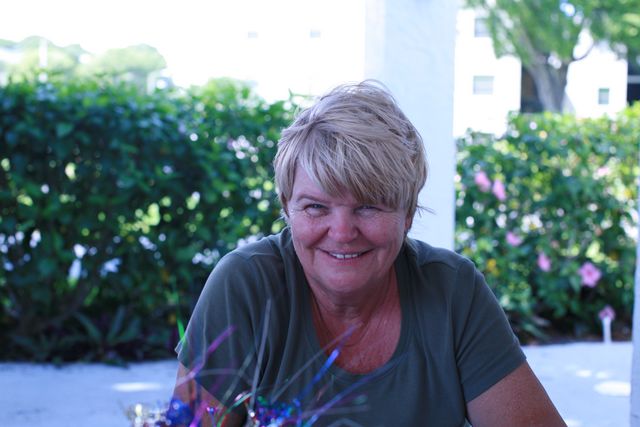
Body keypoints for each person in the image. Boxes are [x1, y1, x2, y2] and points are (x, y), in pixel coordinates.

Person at [172, 81, 565, 426]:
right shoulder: (245, 286)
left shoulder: (452, 291)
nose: (342, 233)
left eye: (368, 206)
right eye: (316, 207)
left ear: (407, 214)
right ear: (287, 207)